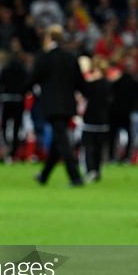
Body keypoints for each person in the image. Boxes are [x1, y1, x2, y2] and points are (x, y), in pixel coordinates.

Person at [32, 24, 84, 187]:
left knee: (62, 141)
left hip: (52, 106)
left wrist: (21, 91)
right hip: (68, 105)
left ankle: (75, 177)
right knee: (58, 140)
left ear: (48, 38)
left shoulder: (45, 58)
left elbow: (33, 78)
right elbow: (79, 82)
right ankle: (44, 175)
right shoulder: (71, 57)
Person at [80, 56, 111, 182]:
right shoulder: (108, 84)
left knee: (88, 147)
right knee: (98, 148)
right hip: (103, 121)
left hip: (90, 120)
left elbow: (84, 93)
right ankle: (97, 171)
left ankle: (90, 170)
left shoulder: (92, 84)